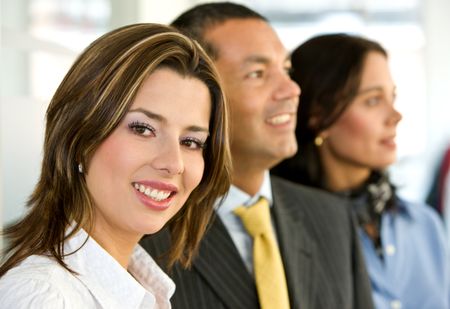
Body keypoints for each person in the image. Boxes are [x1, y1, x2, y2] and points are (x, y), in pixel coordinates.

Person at [141, 3, 374, 309]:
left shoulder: (332, 219)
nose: (291, 89)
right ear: (193, 92)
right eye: (257, 73)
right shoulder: (147, 233)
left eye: (287, 70)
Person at [0, 23, 231, 308]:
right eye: (142, 129)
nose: (174, 163)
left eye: (192, 142)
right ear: (80, 139)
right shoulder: (44, 296)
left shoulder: (143, 287)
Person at [272, 33, 450, 309]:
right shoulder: (279, 232)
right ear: (319, 114)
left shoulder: (423, 224)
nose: (396, 116)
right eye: (372, 100)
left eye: (392, 97)